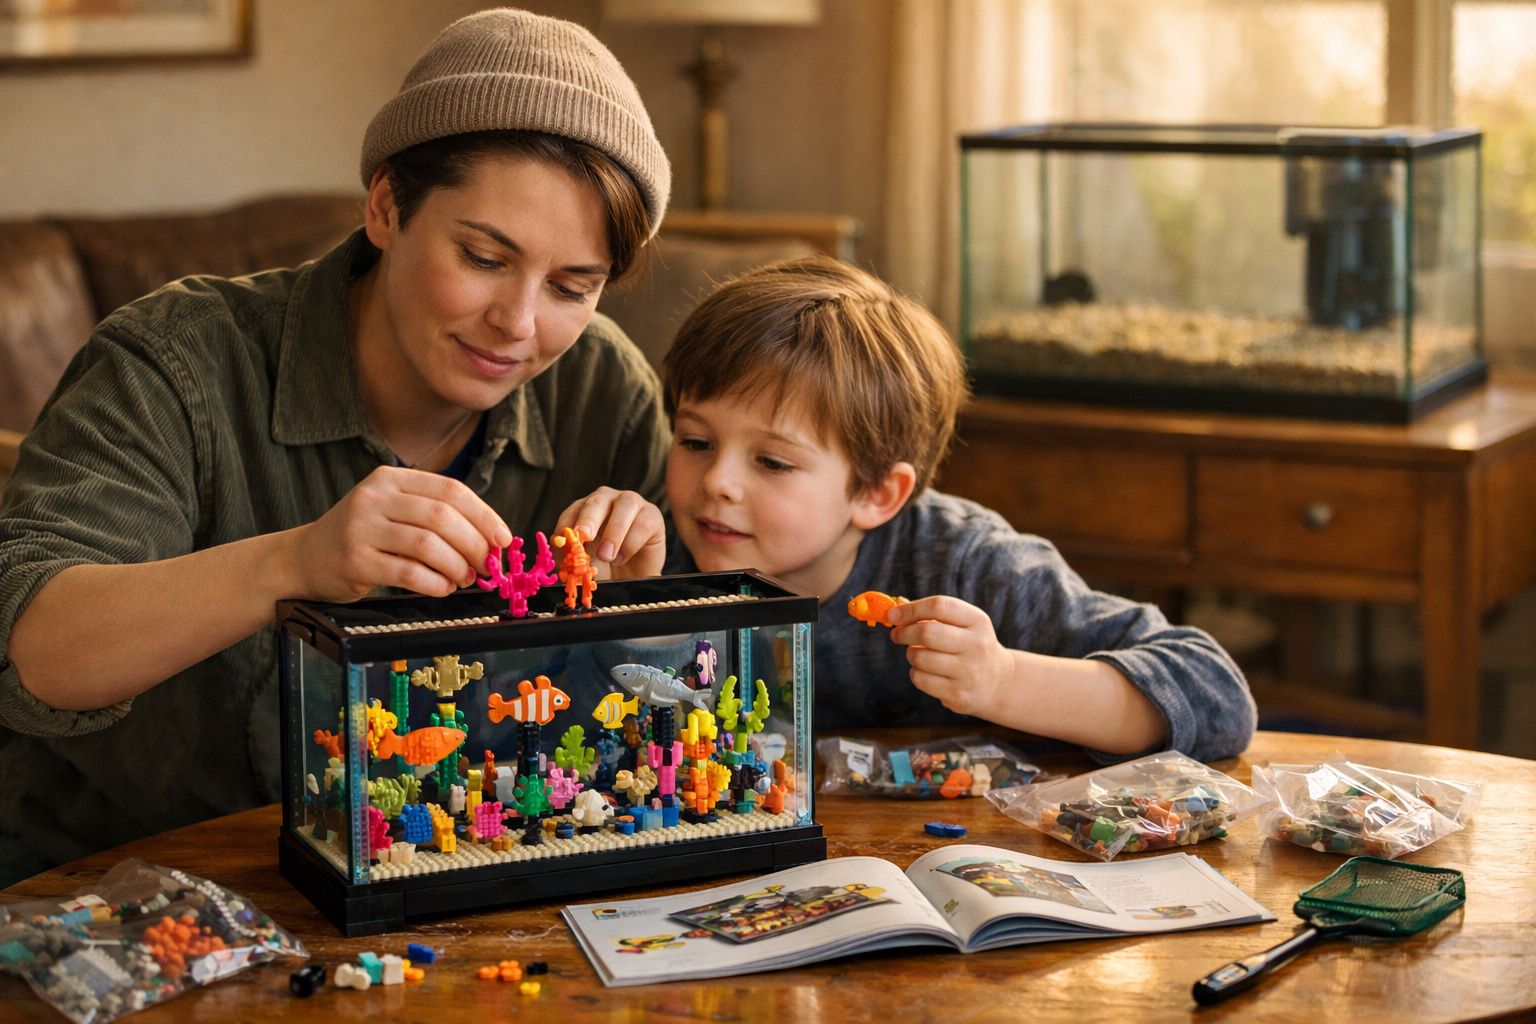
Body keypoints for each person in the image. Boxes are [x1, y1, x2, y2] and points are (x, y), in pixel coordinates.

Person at [0, 8, 669, 885]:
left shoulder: (602, 390)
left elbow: (673, 694)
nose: (519, 324)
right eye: (481, 257)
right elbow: (39, 649)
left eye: (572, 287)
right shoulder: (179, 360)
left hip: (446, 882)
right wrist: (295, 561)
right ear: (387, 207)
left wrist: (633, 618)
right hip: (120, 888)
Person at [654, 255, 1256, 761]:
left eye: (773, 462)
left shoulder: (959, 563)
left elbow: (1215, 692)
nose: (718, 483)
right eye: (696, 442)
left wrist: (1004, 681)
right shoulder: (657, 555)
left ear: (875, 494)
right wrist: (612, 618)